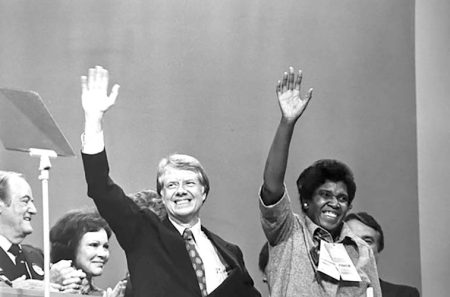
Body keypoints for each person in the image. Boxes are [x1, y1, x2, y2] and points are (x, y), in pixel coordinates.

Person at [80, 66, 260, 297]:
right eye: (172, 185)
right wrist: (93, 120)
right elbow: (101, 188)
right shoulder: (143, 234)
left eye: (189, 183)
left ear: (204, 192)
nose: (180, 191)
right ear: (162, 195)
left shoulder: (230, 252)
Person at [259, 67, 381, 296]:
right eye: (325, 195)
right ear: (306, 201)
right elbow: (271, 186)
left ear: (349, 207)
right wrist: (287, 122)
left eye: (342, 198)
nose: (334, 202)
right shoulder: (288, 232)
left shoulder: (362, 250)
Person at [0, 170, 85, 291]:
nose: (33, 210)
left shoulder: (36, 256)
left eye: (32, 202)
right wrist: (47, 283)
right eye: (25, 201)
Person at [50, 209, 127, 296]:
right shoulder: (44, 289)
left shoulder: (102, 295)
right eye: (94, 245)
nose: (103, 254)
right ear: (70, 248)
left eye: (105, 246)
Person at [344, 212, 420, 297]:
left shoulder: (405, 294)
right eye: (350, 240)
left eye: (367, 241)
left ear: (378, 249)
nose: (359, 246)